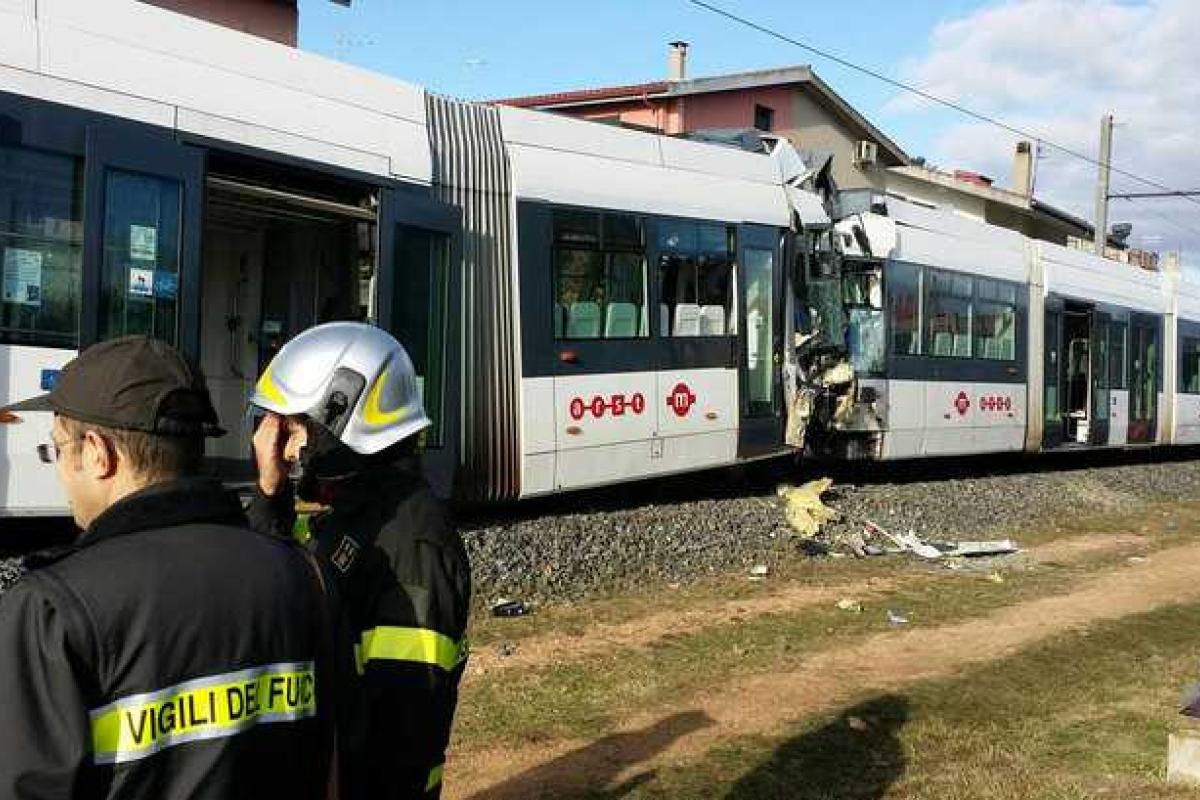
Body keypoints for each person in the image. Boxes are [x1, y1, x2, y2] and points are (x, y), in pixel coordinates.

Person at [0, 336, 337, 799]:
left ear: (99, 453)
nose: (58, 470)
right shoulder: (301, 575)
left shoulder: (51, 609)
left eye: (57, 449)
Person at [245, 322, 471, 800]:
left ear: (339, 417)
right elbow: (279, 592)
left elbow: (403, 733)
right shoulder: (351, 516)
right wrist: (270, 497)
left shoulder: (413, 547)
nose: (280, 447)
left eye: (291, 427)